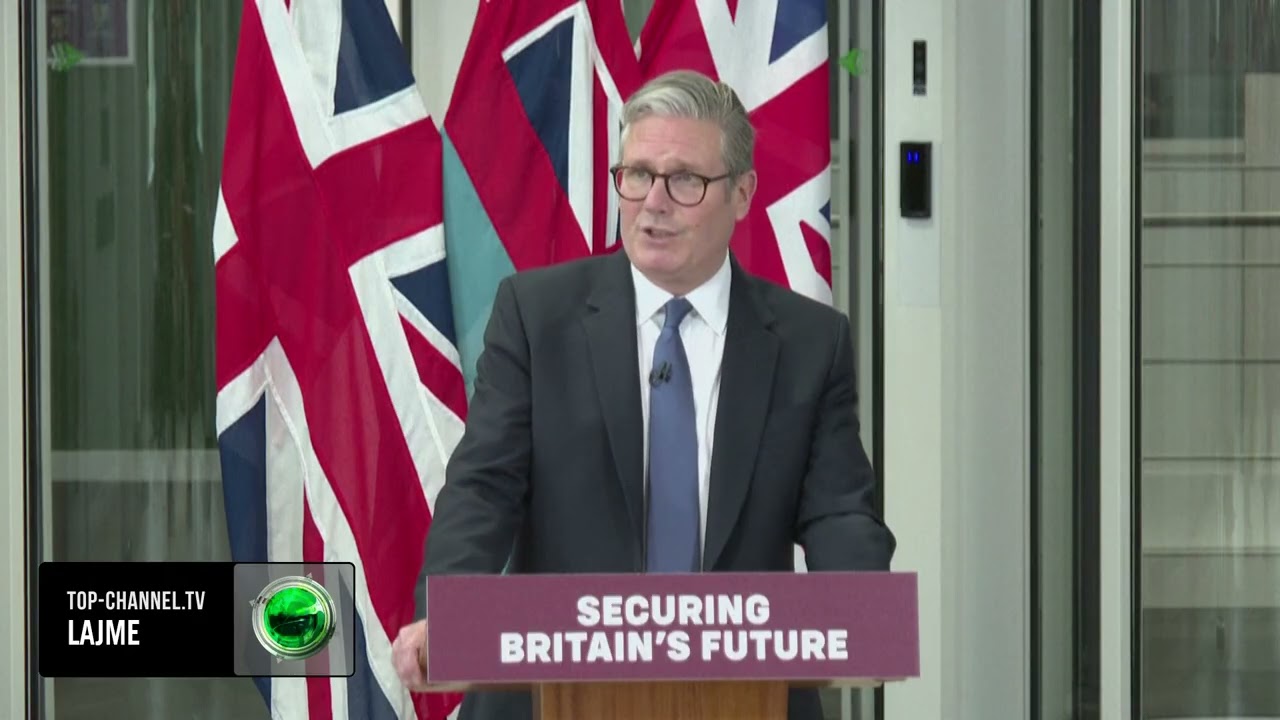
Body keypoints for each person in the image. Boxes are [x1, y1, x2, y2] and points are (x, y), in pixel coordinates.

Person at [392, 69, 895, 720]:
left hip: (745, 697)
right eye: (636, 175)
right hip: (555, 694)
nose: (653, 202)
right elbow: (483, 488)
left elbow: (838, 513)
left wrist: (864, 611)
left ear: (742, 194)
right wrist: (451, 613)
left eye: (684, 180)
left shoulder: (809, 342)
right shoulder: (537, 316)